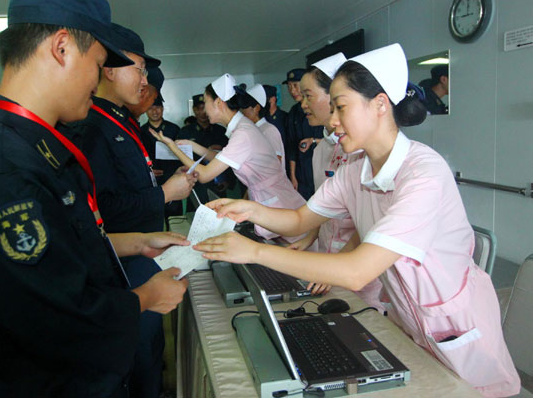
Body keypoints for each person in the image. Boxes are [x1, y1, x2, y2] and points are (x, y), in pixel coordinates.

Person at [195, 44, 520, 397]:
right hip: (408, 322)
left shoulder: (424, 175)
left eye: (341, 107)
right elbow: (301, 218)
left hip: (457, 325)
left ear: (380, 104)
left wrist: (254, 254)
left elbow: (357, 271)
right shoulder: (356, 171)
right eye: (332, 107)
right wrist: (249, 210)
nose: (332, 120)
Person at [0, 0, 188, 398]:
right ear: (63, 47)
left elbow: (66, 246)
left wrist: (135, 242)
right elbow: (55, 318)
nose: (98, 79)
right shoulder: (4, 170)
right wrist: (144, 298)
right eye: (98, 62)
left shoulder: (34, 146)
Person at [73, 24, 195, 398]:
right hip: (123, 265)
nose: (144, 81)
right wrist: (163, 195)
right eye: (139, 69)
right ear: (109, 68)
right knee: (139, 359)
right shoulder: (94, 128)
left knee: (151, 353)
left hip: (141, 250)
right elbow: (104, 209)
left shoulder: (121, 122)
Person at [152, 74, 310, 245]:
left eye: (205, 102)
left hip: (280, 203)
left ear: (218, 103)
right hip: (268, 201)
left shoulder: (243, 133)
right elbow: (218, 158)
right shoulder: (241, 129)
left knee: (297, 252)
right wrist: (190, 145)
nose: (204, 109)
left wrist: (173, 148)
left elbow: (204, 174)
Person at [289, 53, 384, 306]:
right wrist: (309, 239)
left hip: (356, 269)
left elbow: (368, 227)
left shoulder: (364, 154)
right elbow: (319, 209)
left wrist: (333, 266)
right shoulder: (321, 150)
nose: (303, 104)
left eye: (308, 95)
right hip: (328, 262)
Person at [177, 93, 232, 204]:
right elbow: (180, 159)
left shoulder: (221, 131)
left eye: (205, 108)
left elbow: (230, 158)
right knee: (195, 213)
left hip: (218, 183)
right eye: (198, 109)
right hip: (195, 182)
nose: (202, 112)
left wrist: (227, 180)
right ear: (194, 110)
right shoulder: (185, 132)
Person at [284, 68, 323, 200]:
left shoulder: (318, 108)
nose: (292, 91)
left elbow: (332, 140)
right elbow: (291, 146)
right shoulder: (293, 112)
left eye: (295, 85)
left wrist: (313, 140)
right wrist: (293, 176)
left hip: (318, 167)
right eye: (289, 87)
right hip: (301, 171)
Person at [240, 83, 286, 173]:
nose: (242, 112)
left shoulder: (268, 130)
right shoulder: (255, 130)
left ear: (256, 108)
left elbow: (275, 163)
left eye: (245, 108)